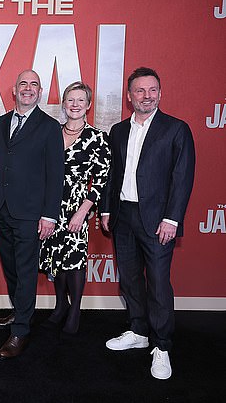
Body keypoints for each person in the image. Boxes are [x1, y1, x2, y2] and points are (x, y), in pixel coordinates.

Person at [101, 67, 195, 380]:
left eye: (152, 90)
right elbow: (112, 176)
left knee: (157, 283)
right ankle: (139, 331)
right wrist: (106, 210)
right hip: (123, 216)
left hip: (157, 220)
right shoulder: (118, 131)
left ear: (160, 92)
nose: (147, 96)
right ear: (129, 97)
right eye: (140, 91)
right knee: (129, 280)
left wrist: (171, 218)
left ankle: (162, 346)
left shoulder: (176, 129)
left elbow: (182, 179)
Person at [0, 69, 64, 359]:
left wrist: (49, 215)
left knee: (27, 270)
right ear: (14, 91)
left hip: (31, 213)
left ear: (40, 92)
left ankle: (20, 332)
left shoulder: (51, 127)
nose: (28, 89)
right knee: (11, 268)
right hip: (2, 209)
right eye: (23, 84)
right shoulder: (0, 123)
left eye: (34, 85)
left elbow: (56, 176)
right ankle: (19, 312)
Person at [39, 81, 111, 335]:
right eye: (71, 100)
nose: (75, 105)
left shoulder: (98, 138)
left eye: (81, 100)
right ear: (64, 104)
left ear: (88, 105)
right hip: (49, 204)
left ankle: (75, 310)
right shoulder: (51, 132)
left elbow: (101, 178)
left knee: (75, 259)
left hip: (77, 205)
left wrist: (83, 211)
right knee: (56, 256)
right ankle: (60, 306)